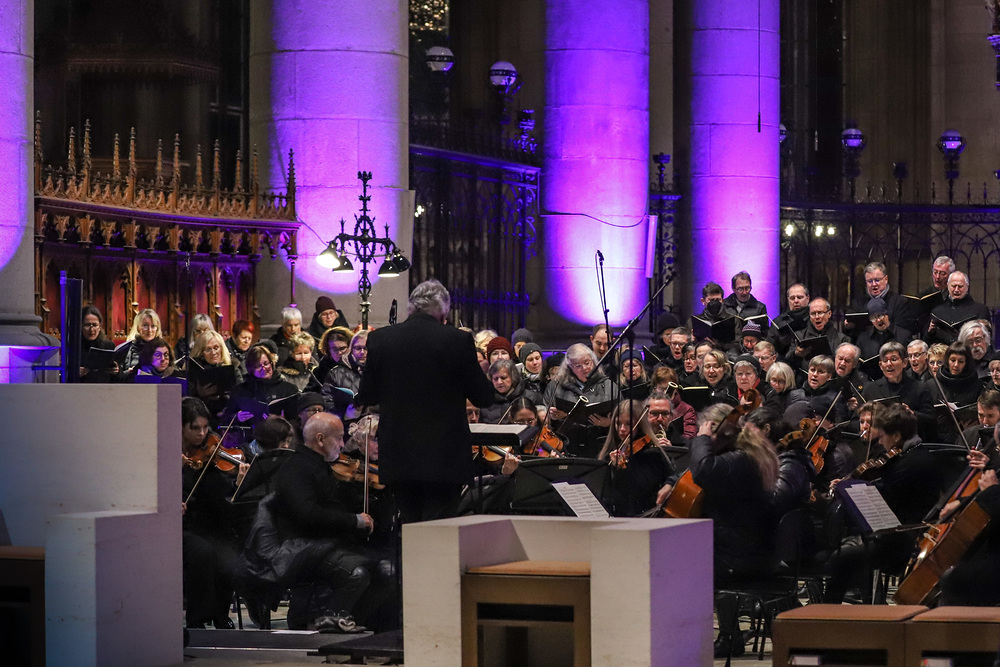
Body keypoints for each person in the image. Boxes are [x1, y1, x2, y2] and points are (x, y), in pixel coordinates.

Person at [358, 280, 495, 523]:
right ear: (444, 311)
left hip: (399, 455)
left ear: (411, 308)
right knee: (438, 532)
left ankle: (406, 563)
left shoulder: (380, 339)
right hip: (444, 457)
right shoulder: (457, 340)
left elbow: (368, 395)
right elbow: (483, 397)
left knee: (407, 528)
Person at [258, 412, 387, 631]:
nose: (342, 444)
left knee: (387, 569)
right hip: (304, 548)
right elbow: (308, 514)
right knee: (357, 575)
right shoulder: (296, 468)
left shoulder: (321, 465)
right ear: (320, 439)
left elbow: (332, 506)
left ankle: (358, 621)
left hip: (326, 544)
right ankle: (329, 622)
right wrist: (353, 521)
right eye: (338, 438)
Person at [675, 403, 779, 657]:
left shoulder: (742, 459)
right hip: (748, 547)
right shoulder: (744, 454)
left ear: (721, 431)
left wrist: (700, 438)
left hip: (740, 556)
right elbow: (696, 471)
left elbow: (704, 470)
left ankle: (714, 636)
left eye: (710, 431)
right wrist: (672, 483)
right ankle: (722, 634)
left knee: (680, 564)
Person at [181, 397, 248, 629]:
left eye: (205, 428)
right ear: (180, 428)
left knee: (228, 553)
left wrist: (238, 485)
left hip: (210, 523)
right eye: (194, 428)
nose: (202, 435)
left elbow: (221, 500)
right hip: (183, 526)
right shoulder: (168, 457)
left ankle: (220, 614)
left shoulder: (211, 460)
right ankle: (197, 619)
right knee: (203, 553)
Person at [598, 399, 674, 517]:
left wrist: (622, 471)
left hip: (647, 516)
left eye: (628, 424)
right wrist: (615, 470)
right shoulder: (608, 454)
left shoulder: (652, 454)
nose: (622, 429)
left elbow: (639, 490)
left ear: (640, 425)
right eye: (618, 424)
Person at [224, 345, 299, 426]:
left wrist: (283, 421)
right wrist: (237, 417)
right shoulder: (239, 391)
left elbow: (298, 419)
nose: (263, 369)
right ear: (251, 369)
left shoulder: (289, 389)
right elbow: (225, 418)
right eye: (258, 366)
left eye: (266, 363)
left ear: (271, 363)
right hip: (250, 435)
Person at [847, 261, 917, 335]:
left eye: (877, 280)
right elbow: (849, 330)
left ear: (886, 279)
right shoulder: (858, 303)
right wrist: (847, 326)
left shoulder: (899, 302)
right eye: (870, 281)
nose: (873, 284)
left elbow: (904, 331)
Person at [188, 330, 243, 418]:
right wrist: (200, 395)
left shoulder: (233, 367)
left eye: (216, 348)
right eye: (208, 349)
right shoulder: (194, 371)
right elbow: (188, 403)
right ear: (201, 352)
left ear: (222, 348)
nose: (213, 353)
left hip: (230, 415)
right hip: (203, 415)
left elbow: (241, 393)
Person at [785, 298, 848, 373]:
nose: (817, 317)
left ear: (829, 314)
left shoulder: (842, 339)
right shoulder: (799, 336)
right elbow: (788, 360)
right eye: (813, 314)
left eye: (820, 313)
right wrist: (796, 354)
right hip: (805, 380)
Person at [855, 297, 911, 380]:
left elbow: (909, 363)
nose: (878, 320)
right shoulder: (863, 338)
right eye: (873, 318)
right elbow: (858, 366)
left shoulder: (904, 335)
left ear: (887, 314)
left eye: (880, 315)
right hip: (872, 383)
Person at [928, 272, 991, 343]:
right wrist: (930, 332)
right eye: (954, 286)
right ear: (948, 286)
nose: (956, 290)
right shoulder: (937, 312)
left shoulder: (980, 310)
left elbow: (987, 340)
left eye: (960, 286)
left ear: (967, 287)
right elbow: (928, 341)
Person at [321, 330, 368, 420]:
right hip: (347, 424)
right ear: (351, 349)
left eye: (366, 348)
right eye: (358, 348)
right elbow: (326, 402)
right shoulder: (336, 373)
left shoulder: (383, 370)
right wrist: (345, 414)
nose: (362, 352)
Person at [480, 358, 544, 423]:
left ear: (513, 377)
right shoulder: (485, 399)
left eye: (503, 378)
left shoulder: (532, 398)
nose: (499, 382)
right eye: (495, 379)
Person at [79, 304, 118, 382]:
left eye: (95, 325)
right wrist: (74, 373)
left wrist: (117, 371)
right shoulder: (74, 347)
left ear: (100, 327)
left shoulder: (109, 346)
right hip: (80, 389)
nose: (91, 329)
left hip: (105, 389)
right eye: (87, 325)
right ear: (80, 326)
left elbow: (119, 379)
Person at [770, 283, 810, 356]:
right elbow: (770, 348)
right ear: (788, 300)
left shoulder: (815, 319)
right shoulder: (778, 322)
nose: (796, 301)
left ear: (808, 298)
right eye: (792, 298)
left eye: (799, 297)